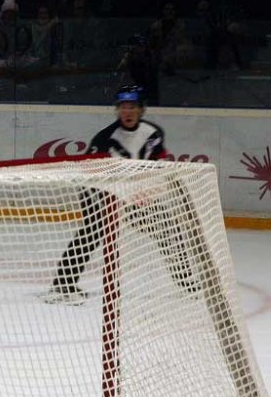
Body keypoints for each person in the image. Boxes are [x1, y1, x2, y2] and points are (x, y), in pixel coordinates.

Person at [42, 85, 192, 304]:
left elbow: (158, 161)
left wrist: (146, 190)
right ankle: (63, 284)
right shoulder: (105, 138)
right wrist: (102, 201)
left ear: (141, 110)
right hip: (98, 191)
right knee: (91, 233)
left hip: (132, 193)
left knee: (167, 228)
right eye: (122, 107)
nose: (127, 112)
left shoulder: (153, 134)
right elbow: (88, 173)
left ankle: (186, 281)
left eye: (132, 107)